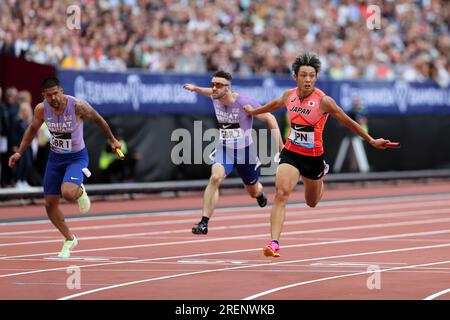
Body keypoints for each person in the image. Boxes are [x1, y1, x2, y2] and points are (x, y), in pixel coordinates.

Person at [244, 52, 395, 257]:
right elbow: (275, 104)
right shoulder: (289, 95)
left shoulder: (324, 101)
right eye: (303, 75)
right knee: (281, 194)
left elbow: (348, 121)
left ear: (316, 78)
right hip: (291, 153)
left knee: (312, 202)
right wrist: (254, 112)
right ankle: (274, 243)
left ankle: (321, 174)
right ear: (295, 77)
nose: (308, 80)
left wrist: (370, 140)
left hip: (313, 158)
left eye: (312, 76)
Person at [9, 77, 121, 258]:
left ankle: (79, 190)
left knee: (68, 193)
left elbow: (98, 119)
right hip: (55, 159)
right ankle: (69, 238)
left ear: (61, 91)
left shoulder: (77, 106)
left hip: (76, 157)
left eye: (56, 93)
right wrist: (19, 152)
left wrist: (112, 139)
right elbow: (31, 130)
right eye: (49, 95)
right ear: (43, 95)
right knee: (49, 204)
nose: (53, 98)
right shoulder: (41, 109)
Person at [183, 70, 283, 235]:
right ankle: (204, 222)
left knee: (252, 190)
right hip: (225, 149)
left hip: (245, 153)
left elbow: (270, 119)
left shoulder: (244, 102)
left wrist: (281, 146)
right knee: (215, 178)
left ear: (228, 88)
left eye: (219, 85)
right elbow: (208, 91)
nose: (214, 88)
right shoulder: (215, 96)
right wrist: (195, 88)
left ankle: (259, 193)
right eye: (213, 84)